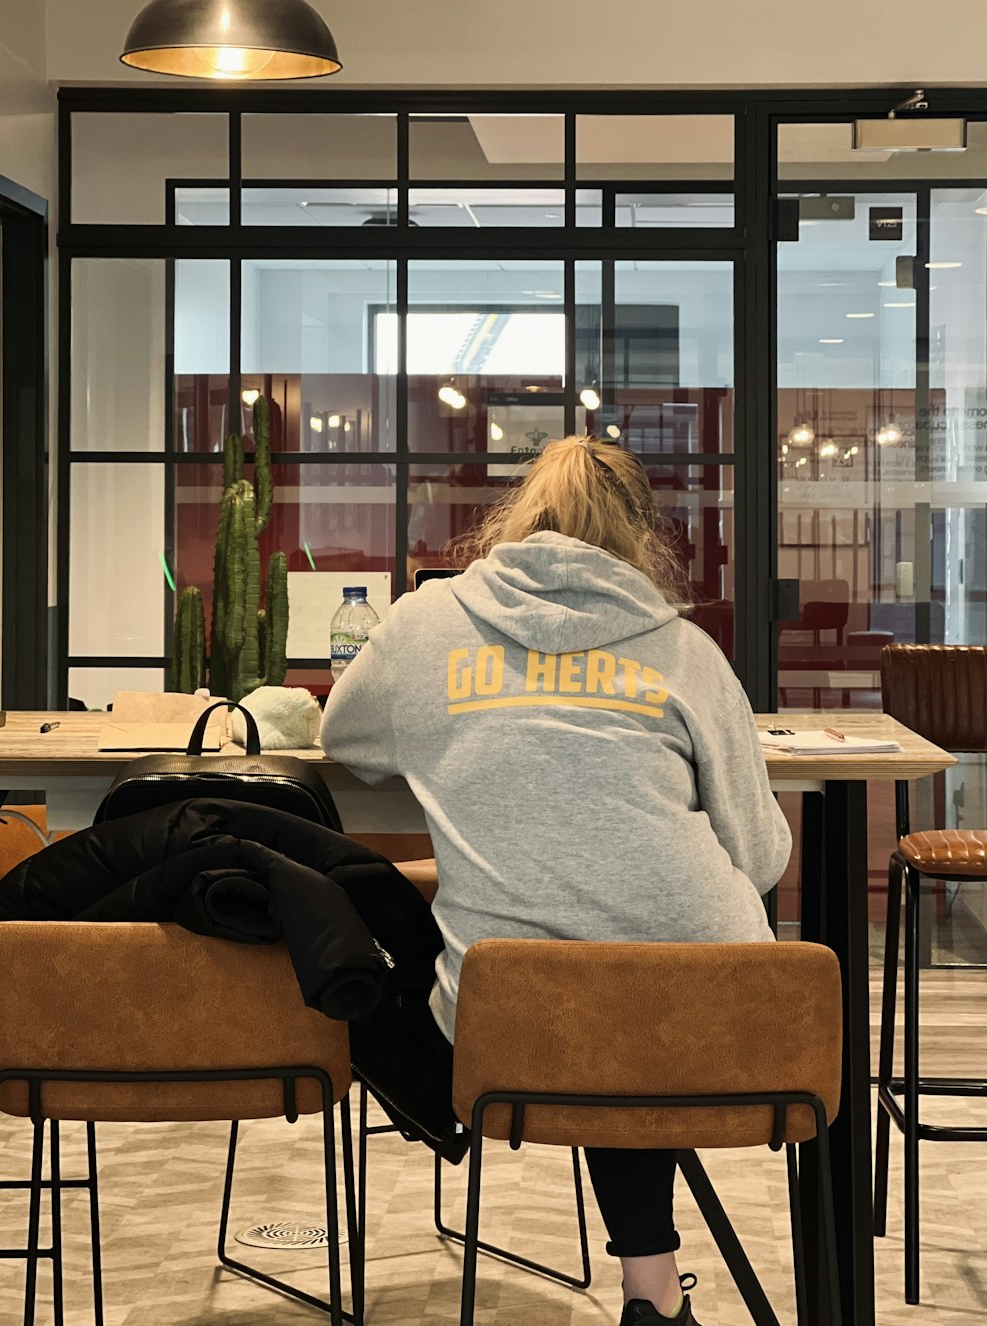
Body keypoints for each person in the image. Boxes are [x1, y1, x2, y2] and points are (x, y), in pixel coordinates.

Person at [321, 435, 792, 1326]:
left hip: (513, 1023)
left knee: (543, 976)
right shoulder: (684, 651)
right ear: (639, 540)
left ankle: (646, 1280)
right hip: (710, 1012)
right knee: (624, 979)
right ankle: (651, 1294)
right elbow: (762, 856)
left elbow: (345, 738)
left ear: (517, 516)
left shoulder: (426, 626)